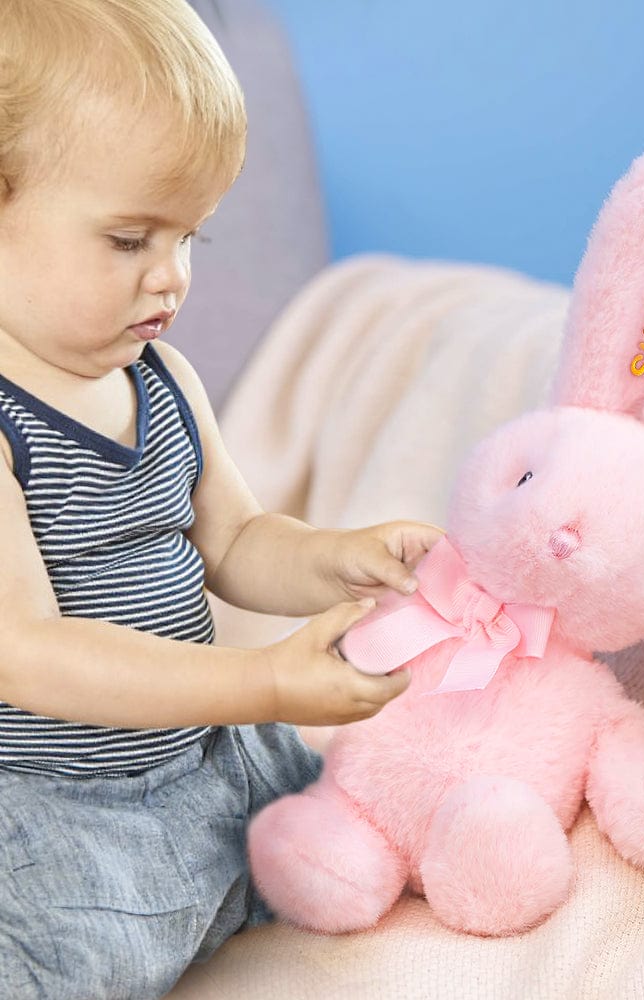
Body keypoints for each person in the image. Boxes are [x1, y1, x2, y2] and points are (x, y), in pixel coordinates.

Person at [0, 1, 441, 996]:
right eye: (128, 240)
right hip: (53, 800)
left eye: (192, 236)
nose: (172, 278)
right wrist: (266, 684)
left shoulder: (161, 377)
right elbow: (27, 653)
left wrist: (338, 557)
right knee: (55, 946)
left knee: (362, 805)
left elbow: (237, 540)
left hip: (209, 755)